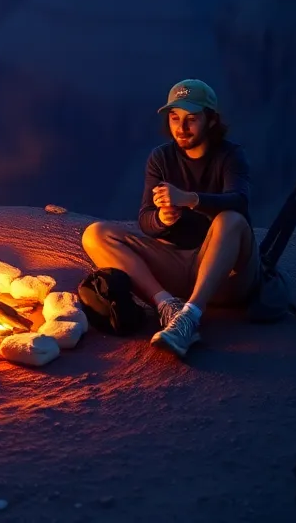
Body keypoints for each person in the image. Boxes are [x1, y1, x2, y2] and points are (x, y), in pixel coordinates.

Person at [81, 78, 259, 358]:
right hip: (177, 267)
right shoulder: (161, 158)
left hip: (225, 277)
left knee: (230, 220)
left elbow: (240, 202)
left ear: (211, 121)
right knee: (95, 234)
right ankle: (168, 306)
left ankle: (191, 317)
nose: (181, 127)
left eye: (191, 119)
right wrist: (164, 218)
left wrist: (190, 199)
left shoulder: (231, 155)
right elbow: (145, 220)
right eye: (175, 118)